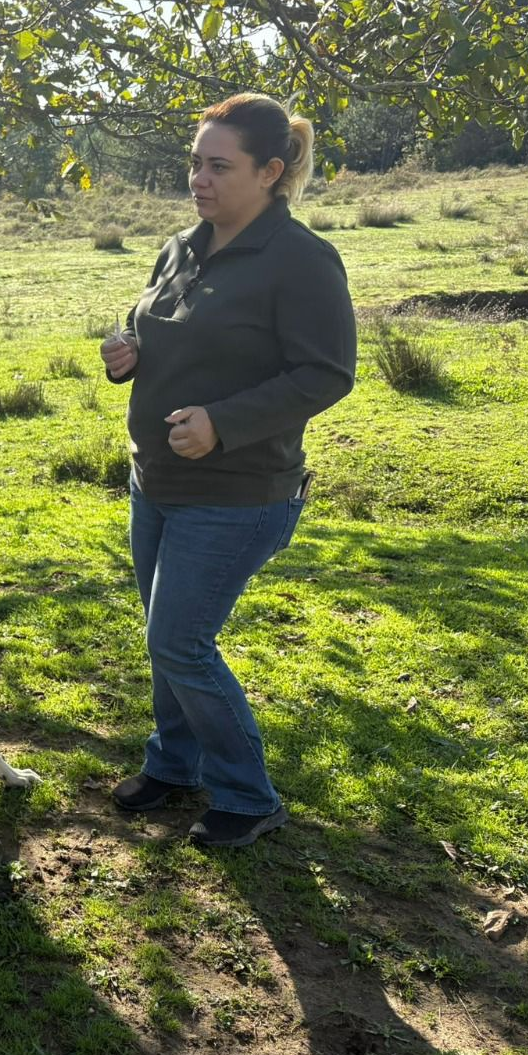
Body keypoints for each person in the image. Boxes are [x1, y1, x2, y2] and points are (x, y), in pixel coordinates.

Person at [98, 92, 356, 849]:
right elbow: (165, 327)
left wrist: (225, 423)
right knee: (162, 636)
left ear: (270, 171)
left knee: (180, 639)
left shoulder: (301, 260)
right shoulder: (181, 245)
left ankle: (247, 795)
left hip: (241, 494)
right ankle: (174, 765)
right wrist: (130, 356)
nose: (198, 180)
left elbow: (327, 373)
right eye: (194, 163)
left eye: (219, 166)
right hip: (159, 483)